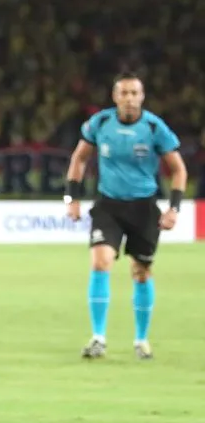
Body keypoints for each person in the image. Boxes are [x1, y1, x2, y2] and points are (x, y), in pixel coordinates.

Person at [65, 72, 187, 360]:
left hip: (144, 208)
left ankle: (141, 341)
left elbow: (179, 169)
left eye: (135, 93)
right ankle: (98, 338)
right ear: (115, 97)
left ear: (142, 97)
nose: (130, 99)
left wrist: (174, 208)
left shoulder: (155, 128)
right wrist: (72, 198)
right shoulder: (100, 123)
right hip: (109, 205)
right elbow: (79, 158)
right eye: (124, 93)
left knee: (141, 272)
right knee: (100, 261)